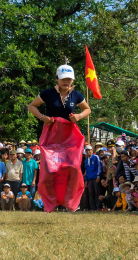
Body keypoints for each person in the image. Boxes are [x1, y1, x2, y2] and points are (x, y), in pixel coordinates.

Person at [26, 65, 92, 212]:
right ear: (57, 79)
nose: (66, 81)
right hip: (52, 136)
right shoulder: (48, 93)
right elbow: (31, 106)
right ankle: (50, 202)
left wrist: (79, 116)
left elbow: (87, 109)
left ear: (72, 80)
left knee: (73, 167)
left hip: (70, 137)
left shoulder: (77, 95)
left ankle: (69, 201)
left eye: (69, 79)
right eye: (63, 78)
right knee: (51, 169)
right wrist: (43, 117)